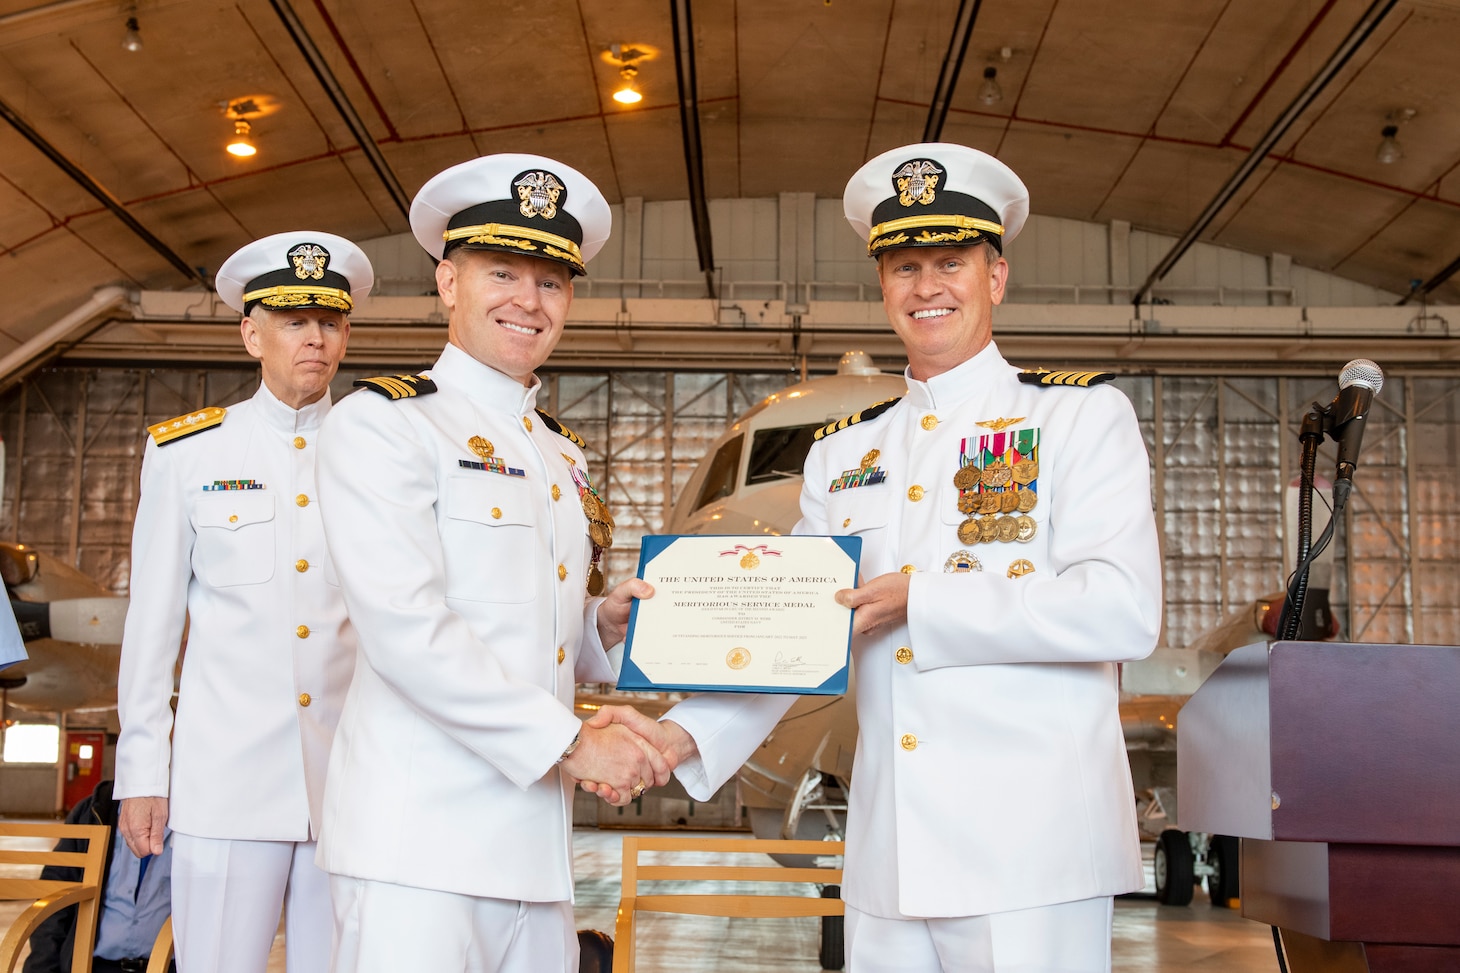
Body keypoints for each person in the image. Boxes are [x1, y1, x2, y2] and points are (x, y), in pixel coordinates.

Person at [591, 143, 1164, 972]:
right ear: (883, 284)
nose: (926, 286)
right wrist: (678, 737)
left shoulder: (1080, 419)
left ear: (995, 276)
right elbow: (803, 639)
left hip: (1032, 852)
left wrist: (923, 601)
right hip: (889, 856)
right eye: (903, 266)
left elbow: (1123, 608)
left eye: (950, 262)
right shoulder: (842, 456)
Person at [313, 153, 672, 973]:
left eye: (550, 281)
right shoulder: (384, 425)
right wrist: (575, 743)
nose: (527, 300)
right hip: (417, 848)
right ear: (448, 283)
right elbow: (408, 629)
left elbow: (525, 625)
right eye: (501, 272)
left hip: (533, 848)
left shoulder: (555, 451)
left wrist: (597, 625)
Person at [113, 231, 374, 973]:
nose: (315, 339)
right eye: (294, 322)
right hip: (224, 783)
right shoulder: (188, 455)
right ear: (251, 333)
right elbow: (153, 627)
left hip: (352, 784)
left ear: (347, 333)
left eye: (330, 322)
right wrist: (142, 772)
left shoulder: (380, 453)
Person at [24, 778, 174, 973]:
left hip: (168, 967)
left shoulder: (199, 825)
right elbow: (55, 900)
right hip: (96, 965)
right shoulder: (93, 813)